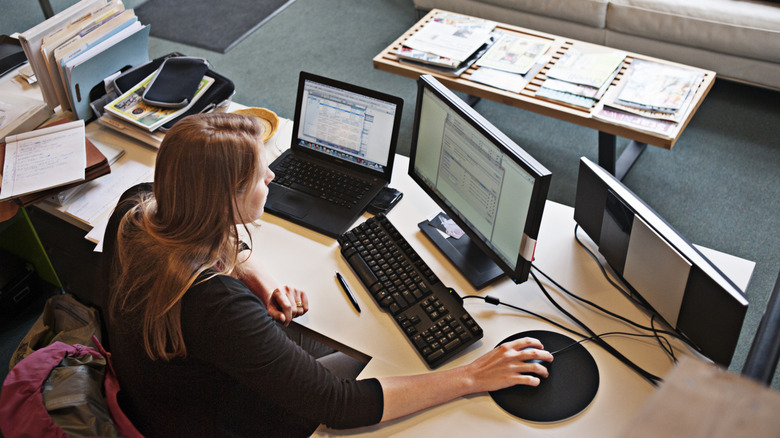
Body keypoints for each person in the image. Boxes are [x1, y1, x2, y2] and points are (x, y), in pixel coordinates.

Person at [99, 112, 553, 437]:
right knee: (383, 381)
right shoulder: (215, 307)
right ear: (225, 201)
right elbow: (339, 406)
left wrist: (256, 274)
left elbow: (207, 240)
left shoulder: (136, 210)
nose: (272, 177)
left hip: (156, 397)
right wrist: (472, 376)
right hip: (212, 422)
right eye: (260, 176)